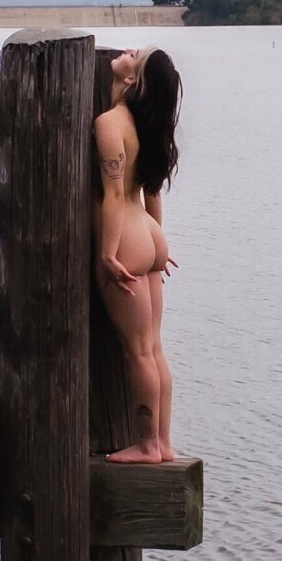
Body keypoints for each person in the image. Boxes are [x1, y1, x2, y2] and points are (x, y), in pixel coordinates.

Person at [95, 45, 182, 463]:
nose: (128, 50)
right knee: (153, 348)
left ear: (132, 79)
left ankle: (147, 445)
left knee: (139, 352)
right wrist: (157, 248)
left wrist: (107, 253)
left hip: (127, 238)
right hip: (147, 231)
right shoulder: (148, 125)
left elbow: (114, 194)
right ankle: (162, 443)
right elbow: (151, 190)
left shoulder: (111, 122)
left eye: (136, 55)